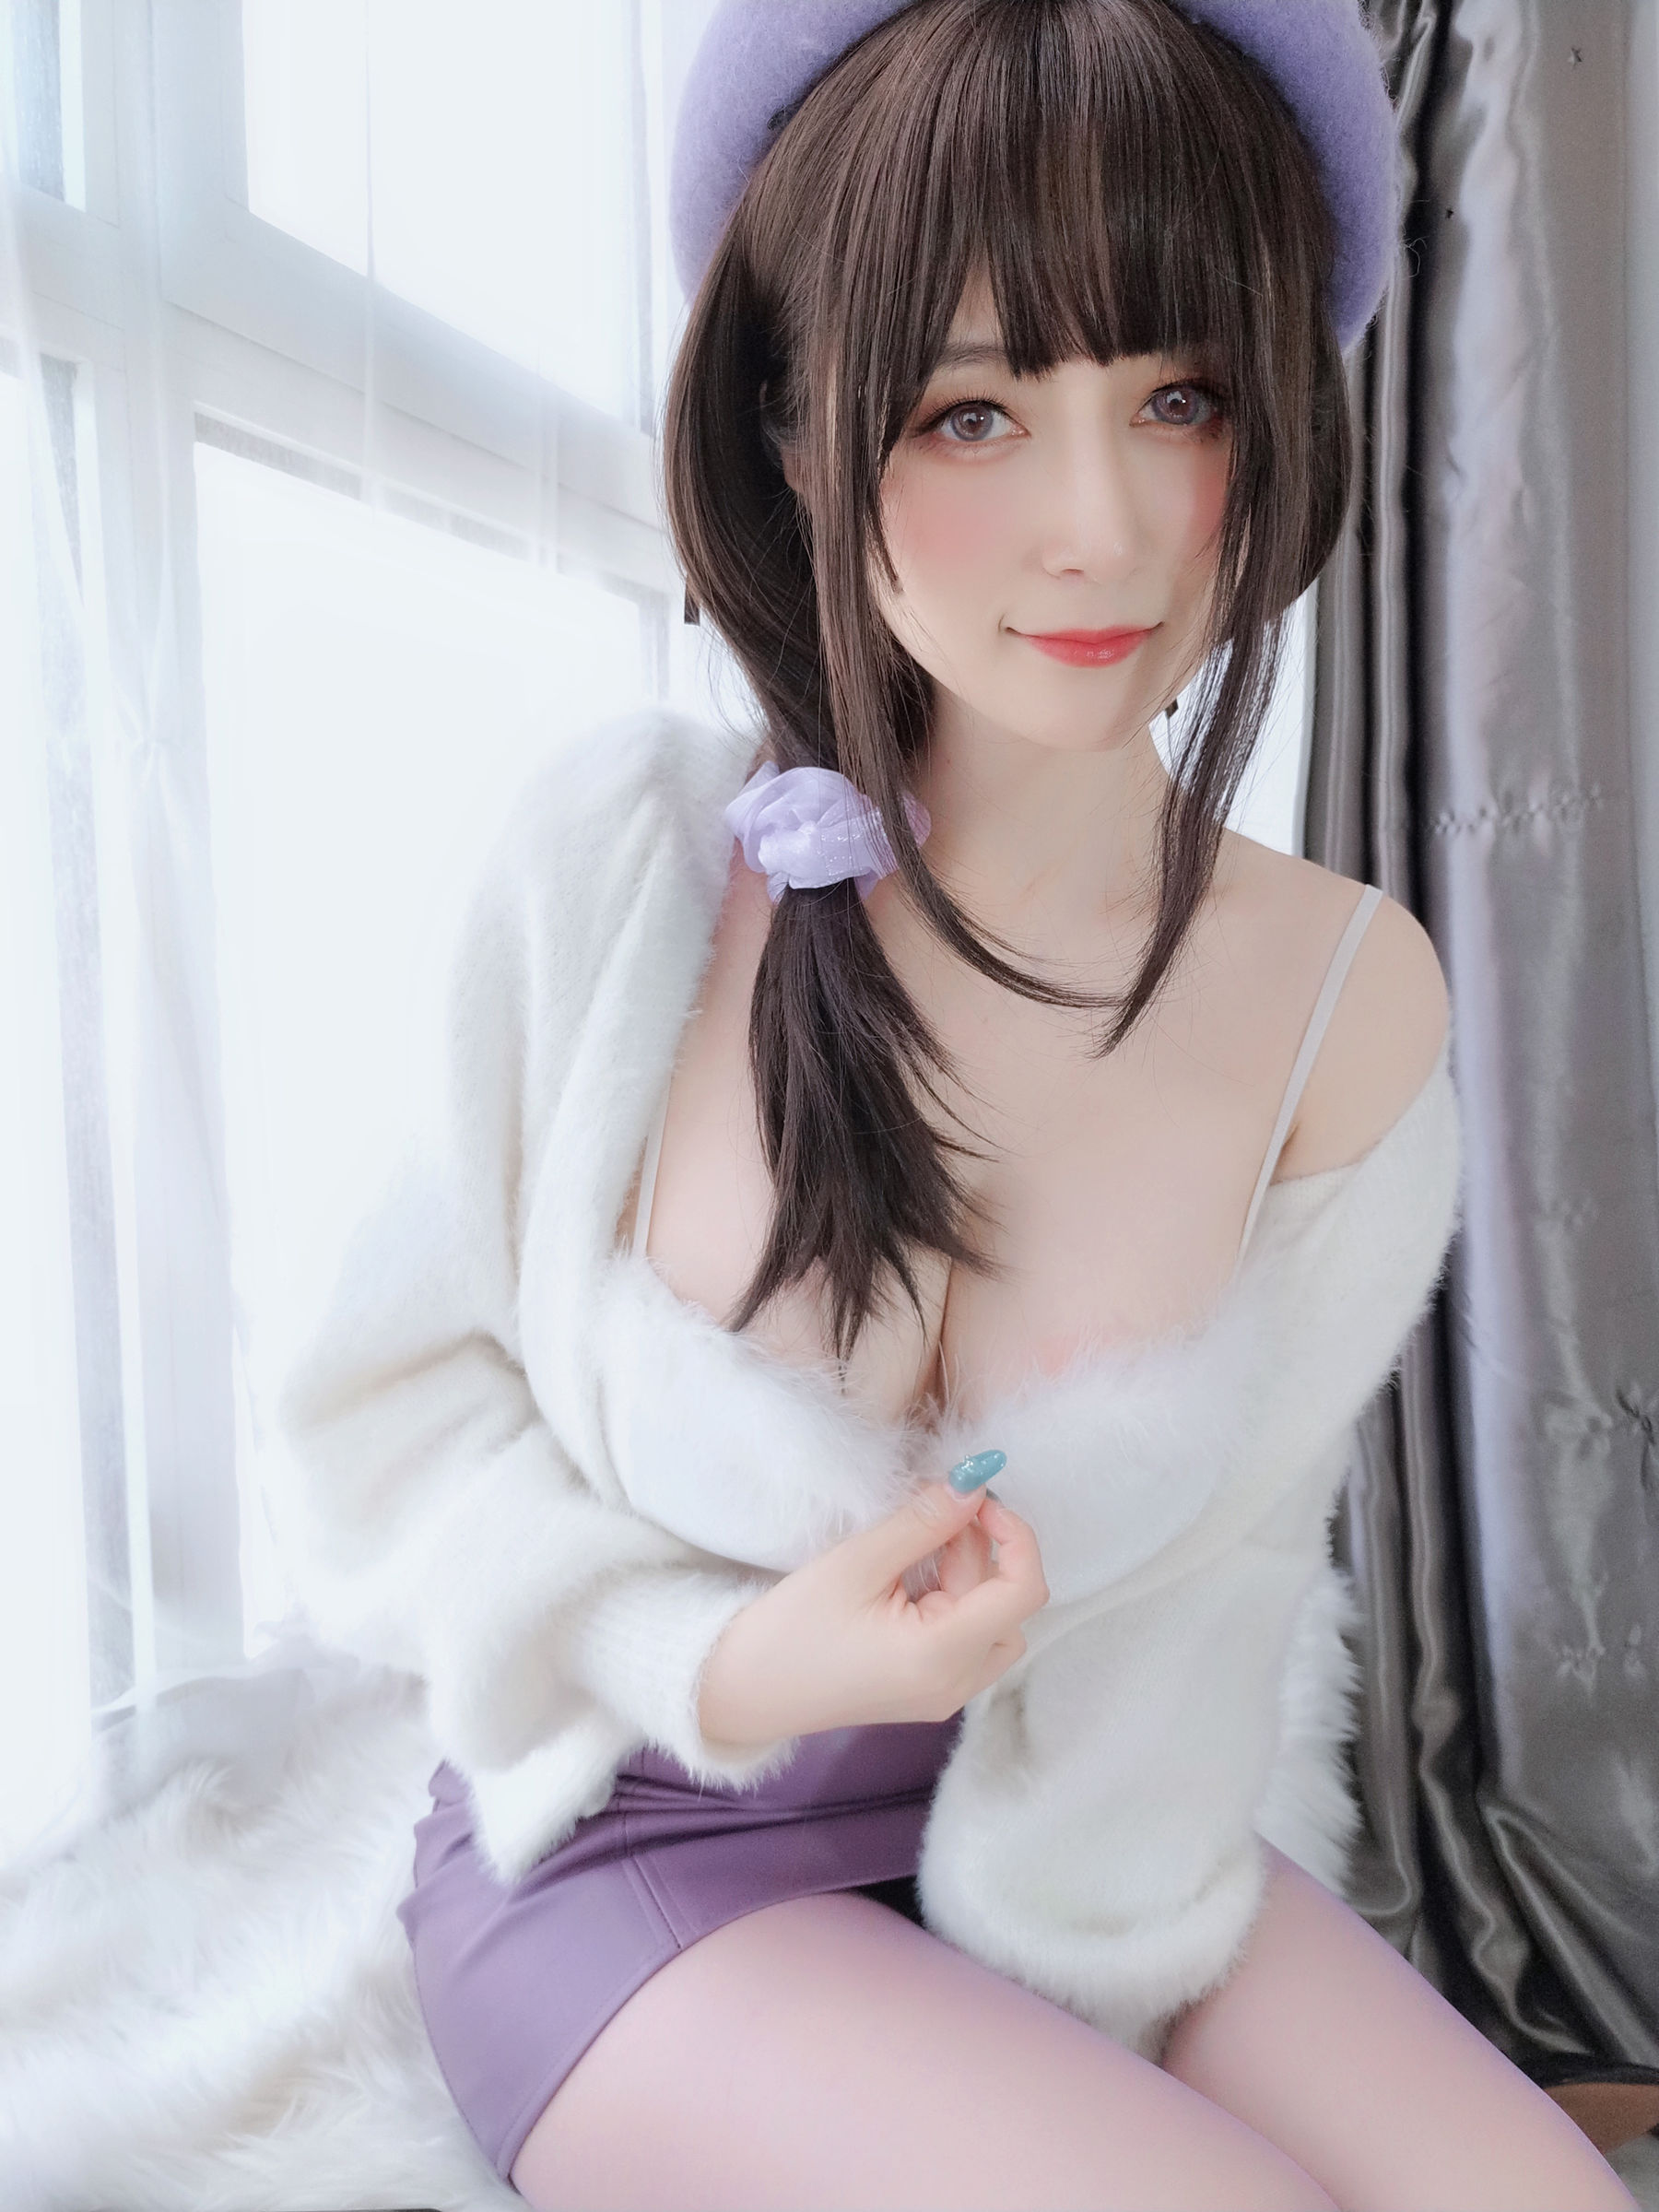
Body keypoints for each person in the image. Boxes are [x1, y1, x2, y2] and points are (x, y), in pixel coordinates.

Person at [269, 2, 1641, 2206]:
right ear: (799, 433)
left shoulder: (1343, 1000)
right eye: (973, 411)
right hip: (632, 1836)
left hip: (1076, 1838)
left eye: (1181, 398)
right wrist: (728, 1657)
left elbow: (1216, 1585)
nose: (1102, 528)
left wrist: (1099, 1978)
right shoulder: (632, 865)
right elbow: (392, 1416)